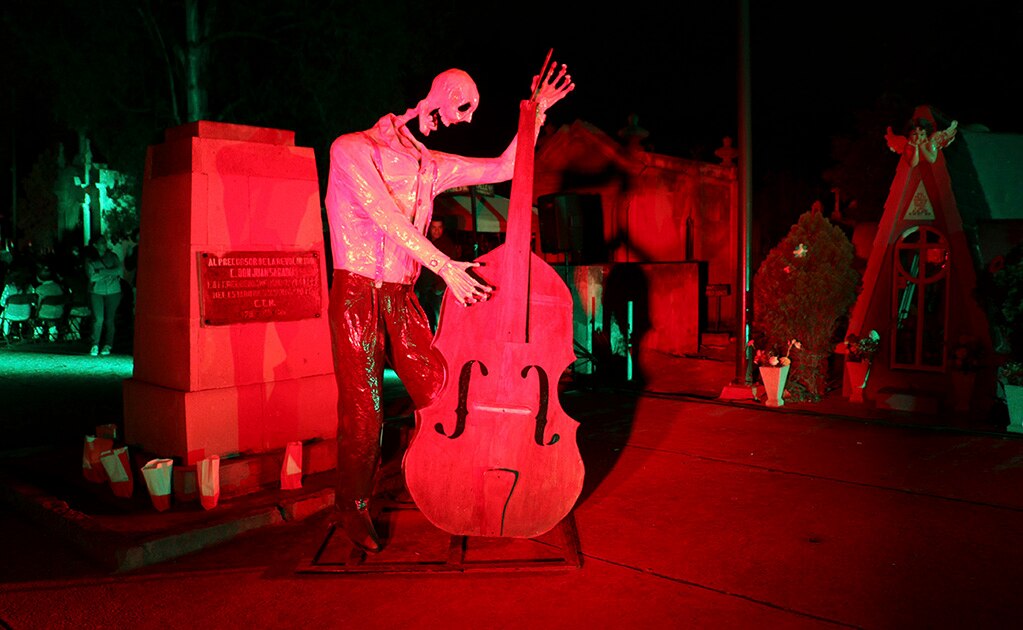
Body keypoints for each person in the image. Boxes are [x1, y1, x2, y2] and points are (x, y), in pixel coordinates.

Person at [324, 62, 573, 552]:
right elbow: (387, 217)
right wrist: (447, 267)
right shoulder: (351, 149)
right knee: (365, 412)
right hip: (355, 293)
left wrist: (535, 114)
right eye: (463, 107)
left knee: (439, 392)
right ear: (438, 96)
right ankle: (349, 506)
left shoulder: (428, 164)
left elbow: (504, 168)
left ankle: (439, 476)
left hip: (400, 296)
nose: (465, 120)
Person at [414, 217, 462, 332]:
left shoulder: (447, 245)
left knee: (438, 318)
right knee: (422, 317)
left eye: (439, 228)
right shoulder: (425, 241)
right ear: (430, 228)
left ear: (443, 228)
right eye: (434, 228)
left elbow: (452, 268)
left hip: (437, 291)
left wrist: (440, 288)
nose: (437, 231)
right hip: (423, 288)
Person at [85, 234, 123, 356]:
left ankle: (108, 344)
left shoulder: (113, 256)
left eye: (105, 242)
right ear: (95, 245)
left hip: (113, 291)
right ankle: (95, 344)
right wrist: (109, 273)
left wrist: (100, 271)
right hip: (97, 291)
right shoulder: (90, 259)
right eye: (102, 242)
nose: (105, 244)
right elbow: (92, 277)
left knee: (109, 319)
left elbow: (119, 271)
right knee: (98, 318)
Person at [33, 265, 66, 341]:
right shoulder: (59, 287)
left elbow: (38, 304)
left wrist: (36, 312)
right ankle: (53, 334)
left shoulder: (40, 289)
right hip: (59, 312)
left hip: (45, 313)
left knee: (37, 315)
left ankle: (37, 334)